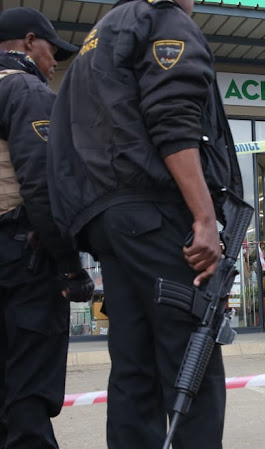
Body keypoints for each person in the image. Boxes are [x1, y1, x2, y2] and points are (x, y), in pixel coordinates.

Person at [46, 0, 244, 446]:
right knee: (191, 365)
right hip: (157, 217)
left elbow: (60, 154)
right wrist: (205, 216)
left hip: (112, 225)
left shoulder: (96, 41)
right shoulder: (164, 19)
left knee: (134, 370)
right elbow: (173, 121)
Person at [0, 9, 94, 449]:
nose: (54, 62)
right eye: (51, 51)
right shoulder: (25, 90)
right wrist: (70, 265)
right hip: (21, 262)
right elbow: (42, 186)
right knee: (28, 392)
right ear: (28, 40)